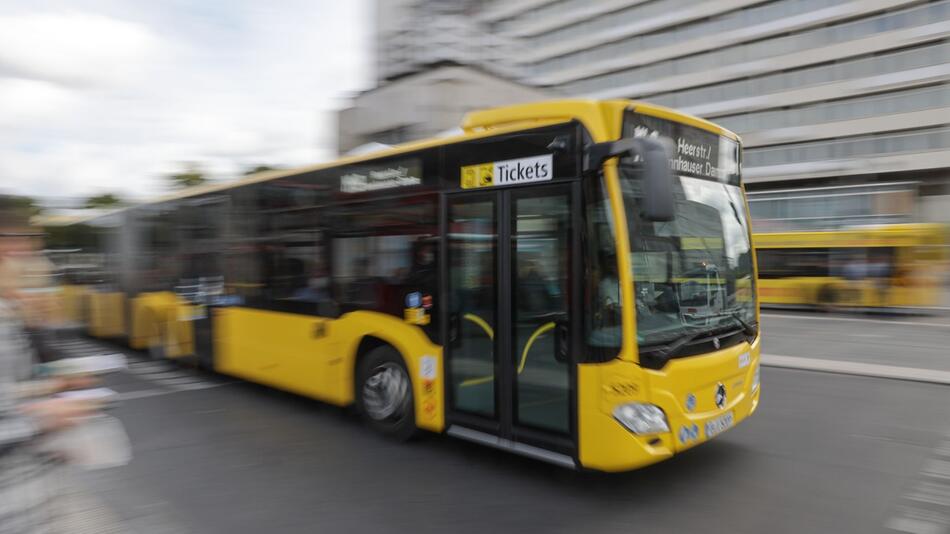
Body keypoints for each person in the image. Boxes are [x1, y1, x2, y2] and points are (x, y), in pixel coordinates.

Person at [1, 200, 100, 533]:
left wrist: (58, 380)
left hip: (31, 500)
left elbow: (23, 376)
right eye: (15, 246)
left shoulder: (15, 313)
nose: (26, 256)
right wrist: (40, 415)